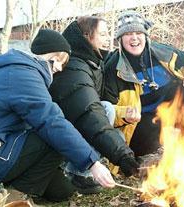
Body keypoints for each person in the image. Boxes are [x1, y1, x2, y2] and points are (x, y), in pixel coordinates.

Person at [0, 29, 115, 202]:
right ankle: (12, 199)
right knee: (55, 136)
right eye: (62, 63)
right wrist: (92, 163)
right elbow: (51, 123)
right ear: (56, 57)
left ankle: (7, 190)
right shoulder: (23, 75)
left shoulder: (14, 70)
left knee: (61, 190)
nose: (59, 70)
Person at [49, 16, 140, 190]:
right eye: (103, 34)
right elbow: (90, 113)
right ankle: (76, 171)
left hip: (75, 130)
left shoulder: (93, 62)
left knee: (117, 134)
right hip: (59, 138)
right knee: (105, 109)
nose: (108, 39)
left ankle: (82, 167)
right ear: (86, 36)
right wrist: (123, 157)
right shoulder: (75, 68)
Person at [103, 10, 184, 157]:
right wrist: (124, 114)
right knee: (148, 134)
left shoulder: (163, 52)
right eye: (128, 34)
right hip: (141, 121)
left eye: (139, 33)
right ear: (120, 39)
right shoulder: (113, 68)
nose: (134, 38)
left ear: (145, 35)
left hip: (170, 108)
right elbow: (105, 109)